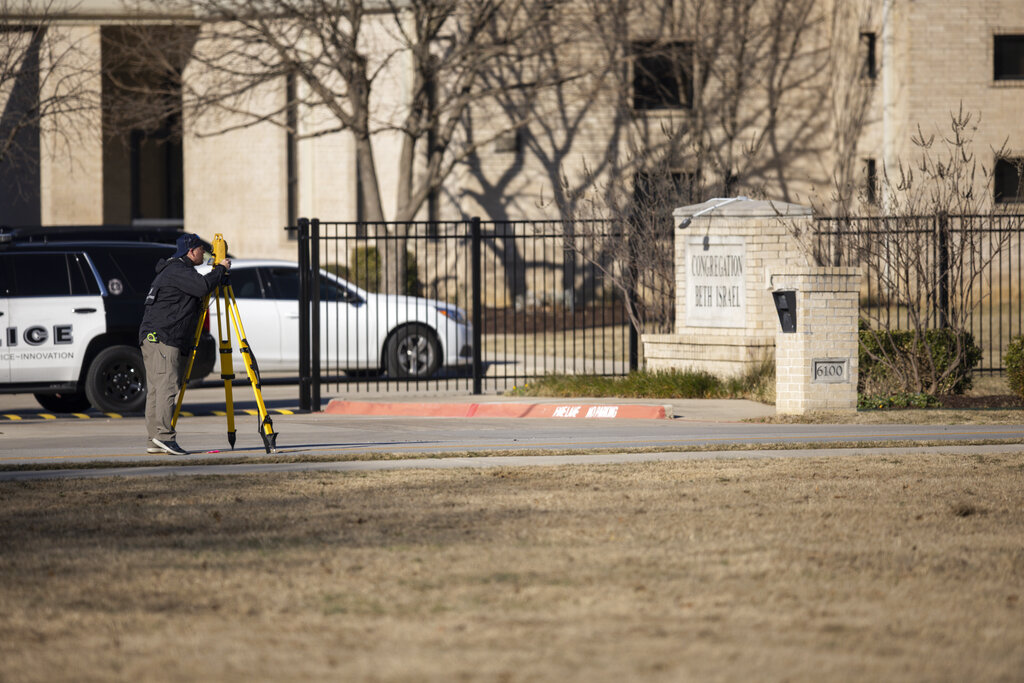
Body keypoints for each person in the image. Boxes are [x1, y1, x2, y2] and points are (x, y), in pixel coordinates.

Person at [139, 233, 230, 455]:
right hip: (163, 337)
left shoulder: (175, 270)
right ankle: (164, 436)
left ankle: (155, 439)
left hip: (154, 337)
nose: (205, 253)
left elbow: (197, 288)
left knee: (157, 390)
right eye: (201, 250)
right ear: (191, 251)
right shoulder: (178, 270)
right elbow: (201, 288)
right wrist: (220, 269)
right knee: (167, 386)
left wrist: (214, 271)